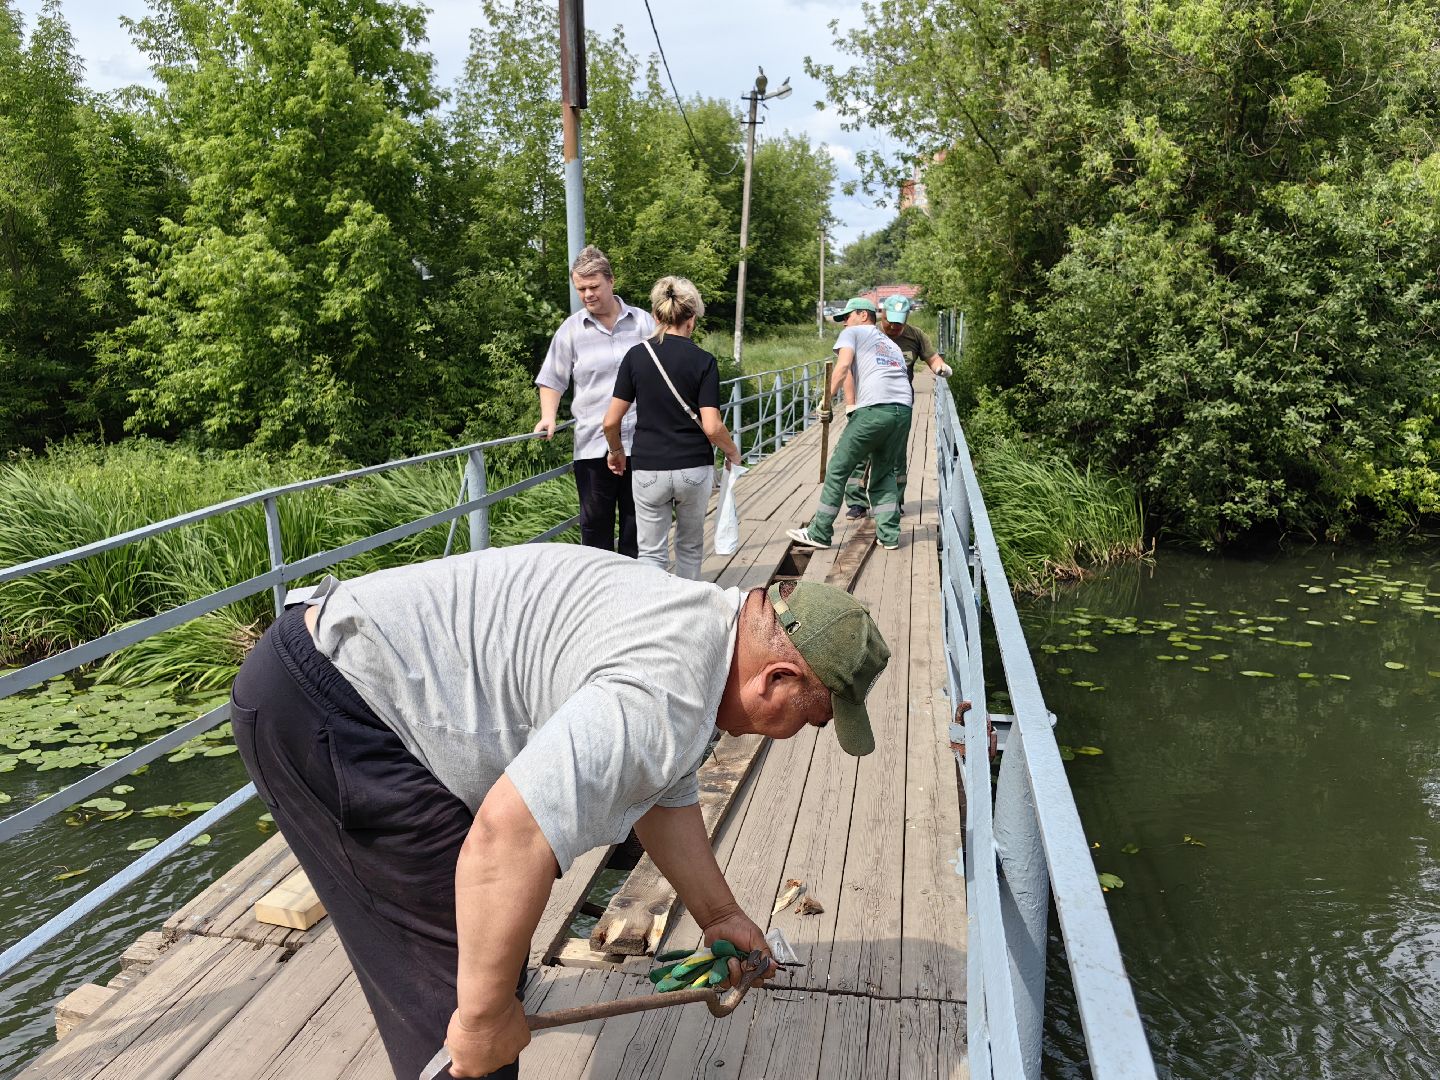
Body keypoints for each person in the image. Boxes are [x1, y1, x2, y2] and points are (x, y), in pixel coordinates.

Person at [230, 543, 890, 1079]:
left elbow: (663, 790)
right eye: (810, 721)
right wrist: (484, 1021)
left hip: (344, 676)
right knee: (461, 1015)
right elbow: (505, 840)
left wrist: (719, 915)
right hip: (335, 705)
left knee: (488, 964)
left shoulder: (705, 624)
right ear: (777, 679)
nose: (796, 735)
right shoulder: (664, 691)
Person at [601, 277, 741, 579]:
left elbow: (611, 421)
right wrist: (732, 451)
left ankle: (653, 616)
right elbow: (713, 426)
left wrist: (616, 451)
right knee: (690, 547)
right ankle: (689, 616)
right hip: (693, 468)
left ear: (655, 316)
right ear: (691, 320)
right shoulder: (704, 361)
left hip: (649, 468)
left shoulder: (636, 357)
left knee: (651, 553)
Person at [534, 246, 656, 558]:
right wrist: (548, 415)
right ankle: (599, 597)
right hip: (593, 445)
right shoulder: (571, 330)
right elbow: (552, 377)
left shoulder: (644, 324)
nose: (587, 295)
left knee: (638, 528)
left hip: (642, 443)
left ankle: (638, 593)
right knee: (595, 527)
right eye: (581, 289)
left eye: (593, 287)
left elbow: (669, 369)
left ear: (611, 281)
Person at [788, 297, 914, 552]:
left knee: (838, 468)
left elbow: (843, 367)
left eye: (847, 317)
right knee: (884, 472)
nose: (844, 323)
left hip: (875, 411)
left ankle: (820, 532)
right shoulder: (888, 344)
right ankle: (889, 536)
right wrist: (850, 403)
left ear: (863, 315)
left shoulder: (854, 333)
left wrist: (825, 401)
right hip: (903, 411)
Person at [843, 294, 952, 519]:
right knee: (861, 452)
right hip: (867, 401)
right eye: (890, 320)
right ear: (881, 314)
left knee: (896, 454)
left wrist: (942, 368)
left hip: (900, 403)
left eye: (899, 322)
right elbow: (847, 370)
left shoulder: (916, 336)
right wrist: (850, 404)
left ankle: (894, 501)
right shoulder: (867, 333)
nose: (894, 326)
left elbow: (932, 359)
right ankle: (857, 502)